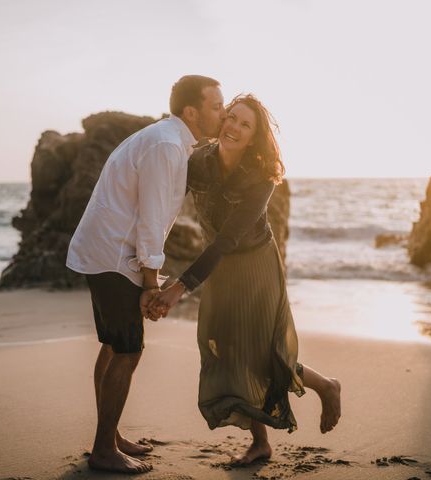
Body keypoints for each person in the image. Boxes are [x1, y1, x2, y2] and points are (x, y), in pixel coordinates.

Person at [151, 94, 341, 465]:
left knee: (261, 354)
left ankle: (325, 387)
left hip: (254, 264)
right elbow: (166, 200)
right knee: (228, 350)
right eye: (231, 117)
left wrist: (179, 287)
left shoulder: (261, 177)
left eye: (245, 124)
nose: (234, 127)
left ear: (255, 136)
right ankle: (261, 443)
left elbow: (228, 239)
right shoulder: (199, 161)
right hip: (219, 266)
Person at [66, 75, 226, 474]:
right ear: (192, 111)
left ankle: (110, 435)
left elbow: (148, 216)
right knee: (127, 350)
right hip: (114, 256)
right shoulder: (168, 146)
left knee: (113, 345)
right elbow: (151, 220)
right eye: (217, 106)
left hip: (106, 251)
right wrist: (152, 284)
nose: (221, 114)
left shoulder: (166, 139)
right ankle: (104, 449)